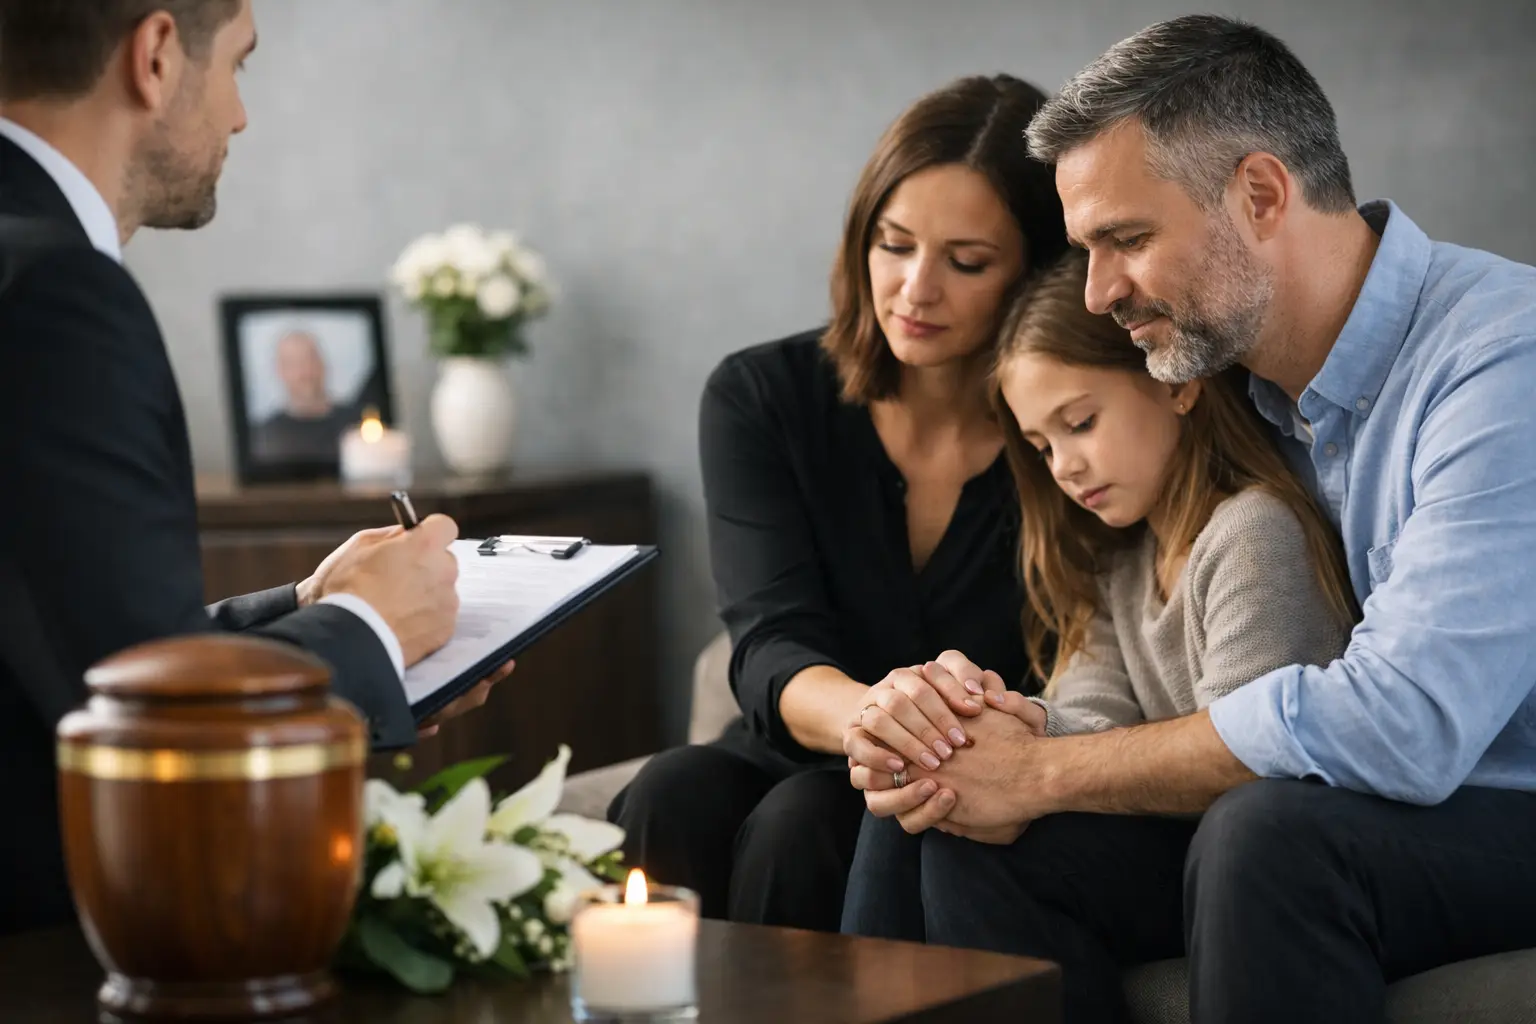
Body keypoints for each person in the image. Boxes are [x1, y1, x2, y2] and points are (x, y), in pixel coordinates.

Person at [843, 14, 1536, 1023]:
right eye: (1086, 249)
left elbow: (1407, 723)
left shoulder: (1499, 362)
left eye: (1126, 239)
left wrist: (1040, 769)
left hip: (1504, 801)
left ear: (1260, 193)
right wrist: (973, 742)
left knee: (1267, 834)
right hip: (1367, 808)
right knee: (953, 818)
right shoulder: (1230, 395)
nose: (1099, 290)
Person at [0, 0, 506, 937]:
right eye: (238, 65)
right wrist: (368, 632)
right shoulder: (56, 294)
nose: (239, 114)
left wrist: (309, 607)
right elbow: (150, 723)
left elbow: (79, 647)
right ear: (155, 56)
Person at [607, 74, 1068, 931]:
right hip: (806, 733)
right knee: (670, 790)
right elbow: (771, 639)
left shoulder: (1073, 430)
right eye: (893, 246)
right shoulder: (762, 395)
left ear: (1037, 274)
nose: (914, 289)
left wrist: (919, 739)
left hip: (958, 776)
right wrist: (875, 714)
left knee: (809, 822)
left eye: (966, 262)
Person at [840, 250, 1356, 967]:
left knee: (964, 844)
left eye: (1080, 423)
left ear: (1177, 386)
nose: (1064, 467)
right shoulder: (1120, 559)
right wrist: (974, 726)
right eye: (1041, 444)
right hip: (1177, 837)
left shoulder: (1254, 531)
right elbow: (1088, 717)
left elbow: (1249, 761)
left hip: (1249, 864)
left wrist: (1003, 759)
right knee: (930, 797)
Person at [250, 329, 370, 465]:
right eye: (293, 363)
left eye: (311, 359)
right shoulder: (263, 436)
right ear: (280, 371)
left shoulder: (361, 424)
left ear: (323, 363)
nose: (305, 371)